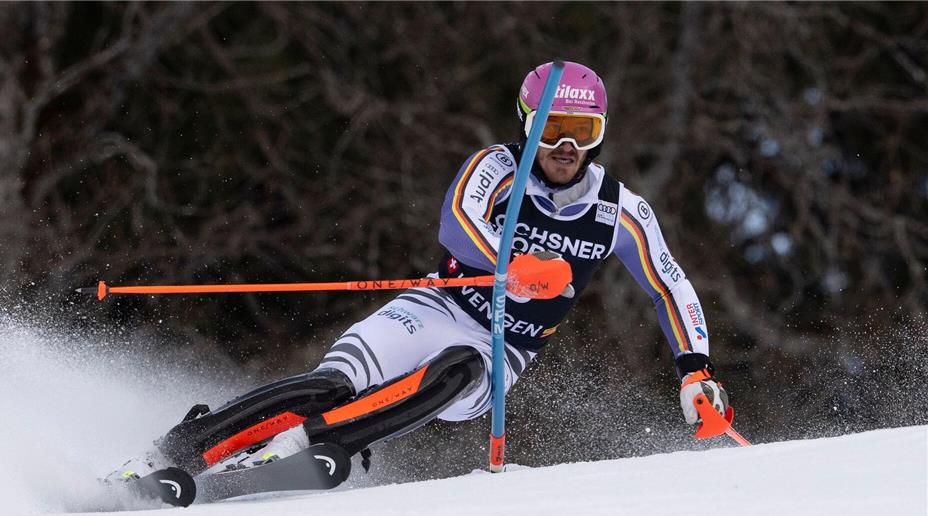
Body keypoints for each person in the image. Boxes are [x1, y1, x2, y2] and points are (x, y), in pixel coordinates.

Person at [111, 61, 729, 482]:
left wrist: (694, 373)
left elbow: (669, 284)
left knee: (459, 372)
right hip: (436, 308)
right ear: (528, 124)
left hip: (502, 349)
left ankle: (313, 445)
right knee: (332, 382)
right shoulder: (497, 168)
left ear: (599, 135)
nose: (567, 147)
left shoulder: (621, 210)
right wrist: (513, 267)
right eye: (555, 130)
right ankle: (174, 453)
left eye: (583, 132)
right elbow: (456, 222)